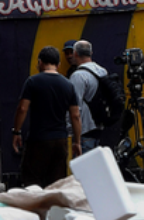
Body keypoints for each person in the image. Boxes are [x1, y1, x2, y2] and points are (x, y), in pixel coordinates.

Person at [12, 46, 81, 187]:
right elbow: (75, 116)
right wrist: (77, 142)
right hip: (60, 141)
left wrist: (17, 132)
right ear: (58, 64)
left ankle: (35, 209)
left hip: (38, 140)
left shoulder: (32, 82)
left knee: (32, 182)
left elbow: (22, 108)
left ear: (40, 62)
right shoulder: (68, 85)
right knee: (57, 184)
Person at [69, 40, 108, 152]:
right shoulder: (102, 71)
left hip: (84, 130)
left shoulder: (78, 76)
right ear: (91, 53)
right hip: (99, 126)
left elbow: (75, 108)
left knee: (83, 167)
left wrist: (70, 131)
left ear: (75, 53)